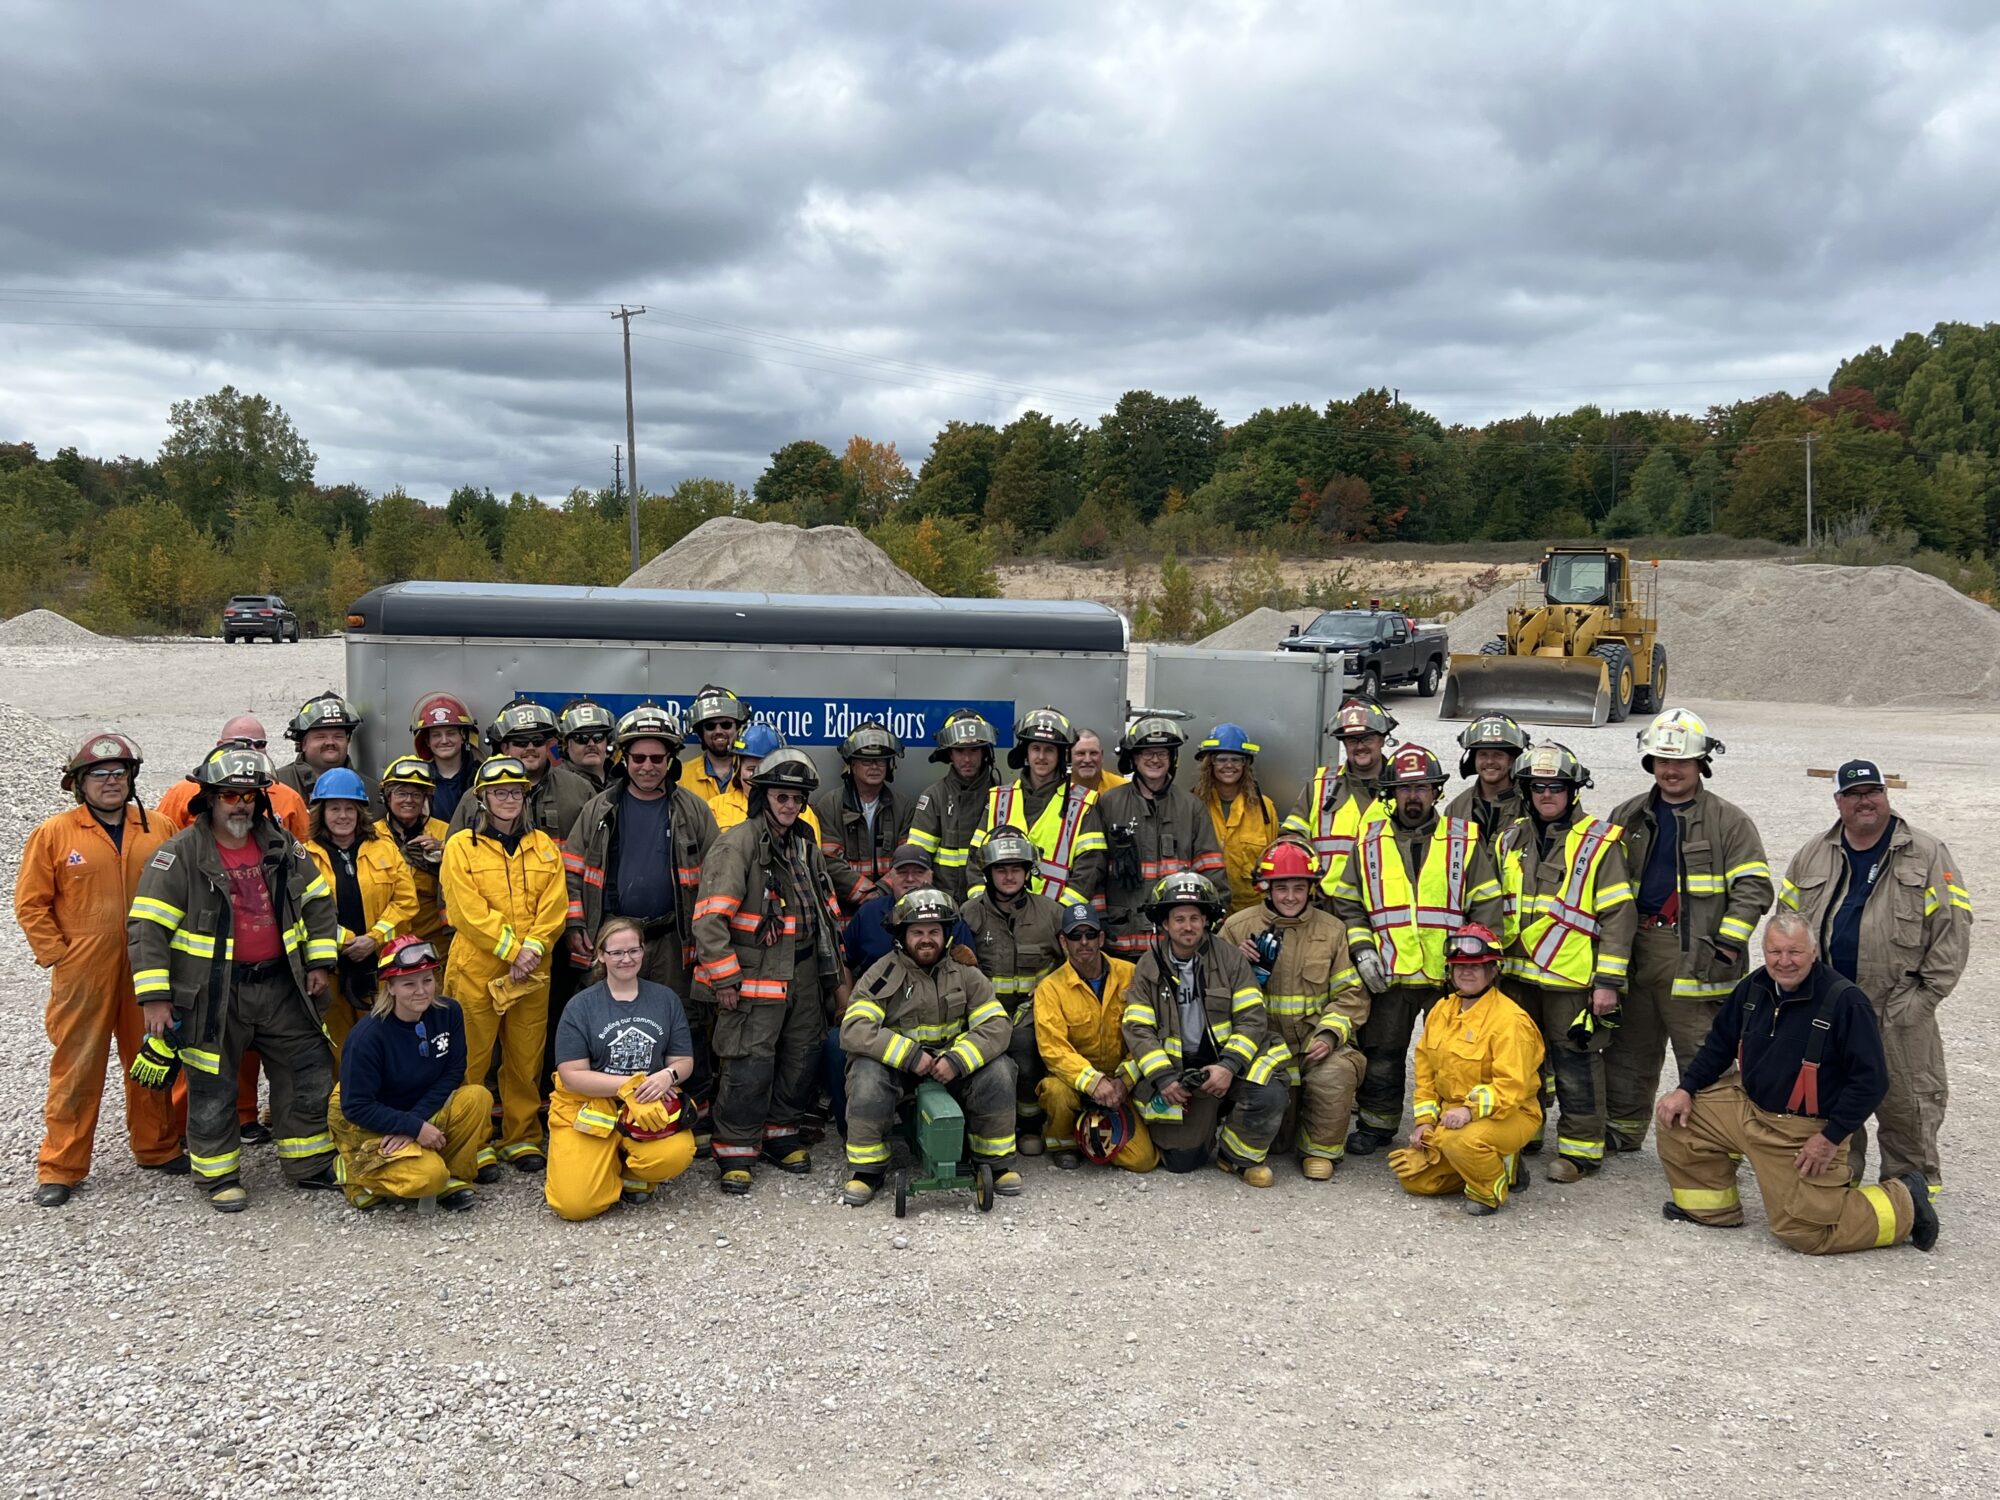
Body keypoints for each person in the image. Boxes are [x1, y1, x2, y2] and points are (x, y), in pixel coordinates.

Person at [127, 746, 341, 1212]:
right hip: (211, 993)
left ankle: (307, 1163)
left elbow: (319, 901)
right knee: (212, 1082)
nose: (240, 804)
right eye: (229, 794)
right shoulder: (178, 856)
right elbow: (148, 930)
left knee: (307, 1070)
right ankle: (218, 1173)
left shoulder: (284, 846)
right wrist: (155, 999)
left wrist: (320, 963)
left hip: (283, 986)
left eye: (249, 795)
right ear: (209, 798)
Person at [1654, 912, 1939, 1255]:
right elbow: (1718, 1046)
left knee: (1806, 1233)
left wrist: (1830, 1138)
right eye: (1775, 952)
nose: (1784, 962)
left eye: (1795, 952)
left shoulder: (1846, 1002)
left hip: (1800, 1131)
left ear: (1814, 952)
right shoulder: (1753, 987)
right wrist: (1685, 1089)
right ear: (1764, 951)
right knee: (1676, 1116)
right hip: (1747, 1106)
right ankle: (1713, 1210)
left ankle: (1905, 1199)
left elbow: (1872, 1081)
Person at [1778, 758, 1970, 1199]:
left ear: (1886, 796)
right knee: (1832, 1101)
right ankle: (1839, 1189)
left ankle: (1912, 1198)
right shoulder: (1813, 853)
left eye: (1873, 792)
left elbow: (1952, 931)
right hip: (1829, 1007)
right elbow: (1787, 925)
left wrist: (1921, 1000)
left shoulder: (1926, 852)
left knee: (1907, 1104)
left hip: (1896, 1006)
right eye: (1854, 794)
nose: (1865, 801)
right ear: (1839, 801)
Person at [15, 731, 183, 1206]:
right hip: (83, 971)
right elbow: (31, 903)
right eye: (99, 775)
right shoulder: (55, 833)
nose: (111, 782)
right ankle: (61, 1166)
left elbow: (184, 890)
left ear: (132, 779)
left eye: (119, 773)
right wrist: (58, 954)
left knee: (152, 1056)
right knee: (77, 1067)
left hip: (150, 966)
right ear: (78, 783)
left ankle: (157, 1147)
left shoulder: (161, 827)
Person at [1605, 710, 1772, 1153]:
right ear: (1650, 763)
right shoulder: (1628, 816)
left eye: (1681, 761)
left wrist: (1725, 946)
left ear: (1701, 764)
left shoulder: (1728, 822)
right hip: (1636, 951)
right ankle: (1622, 1131)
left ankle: (1715, 1144)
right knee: (1629, 1049)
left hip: (1696, 958)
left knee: (1704, 1056)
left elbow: (1754, 888)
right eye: (1662, 759)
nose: (1671, 769)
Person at [1329, 743, 1504, 1155]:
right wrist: (1362, 950)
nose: (1414, 797)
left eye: (1423, 788)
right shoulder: (1368, 843)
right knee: (1383, 1053)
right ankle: (1376, 1125)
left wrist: (1479, 967)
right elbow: (1348, 902)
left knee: (1454, 1058)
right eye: (1405, 789)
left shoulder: (1465, 839)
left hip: (1451, 977)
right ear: (1391, 792)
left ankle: (1452, 1131)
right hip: (1390, 973)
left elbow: (1487, 903)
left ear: (1436, 792)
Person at [692, 749, 851, 1194]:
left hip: (802, 972)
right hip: (752, 978)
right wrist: (724, 978)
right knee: (748, 1062)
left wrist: (834, 980)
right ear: (762, 796)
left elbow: (826, 914)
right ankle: (736, 1148)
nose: (789, 806)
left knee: (801, 1056)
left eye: (797, 799)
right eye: (781, 797)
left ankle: (780, 1134)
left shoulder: (804, 846)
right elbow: (709, 920)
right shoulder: (737, 844)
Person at [562, 702, 720, 1143]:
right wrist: (578, 925)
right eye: (638, 758)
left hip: (672, 936)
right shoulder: (599, 810)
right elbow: (572, 871)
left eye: (657, 758)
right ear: (624, 758)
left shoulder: (692, 809)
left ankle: (691, 1113)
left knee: (683, 1022)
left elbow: (717, 876)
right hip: (614, 936)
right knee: (607, 1020)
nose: (648, 767)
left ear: (670, 760)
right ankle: (610, 1113)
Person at [1496, 742, 1635, 1184]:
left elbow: (1618, 914)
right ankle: (1527, 1130)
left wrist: (1608, 981)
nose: (1547, 795)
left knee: (1576, 1062)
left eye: (1556, 786)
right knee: (1521, 1060)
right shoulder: (1510, 838)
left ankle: (1580, 1151)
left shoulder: (1600, 841)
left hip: (1570, 977)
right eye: (1538, 787)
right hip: (1517, 975)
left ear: (1573, 790)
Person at [839, 888, 1020, 1205]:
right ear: (902, 936)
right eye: (917, 932)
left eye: (934, 932)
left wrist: (958, 1060)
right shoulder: (881, 976)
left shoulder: (967, 975)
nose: (926, 939)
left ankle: (994, 1162)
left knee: (1000, 1069)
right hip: (901, 1071)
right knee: (866, 1074)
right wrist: (909, 1056)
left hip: (953, 1068)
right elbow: (854, 1028)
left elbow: (997, 1025)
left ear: (947, 934)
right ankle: (867, 1171)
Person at [439, 756, 568, 1176]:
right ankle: (472, 1141)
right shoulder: (461, 846)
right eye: (499, 792)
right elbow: (464, 910)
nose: (508, 799)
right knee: (471, 1060)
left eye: (515, 791)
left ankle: (522, 1137)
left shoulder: (544, 846)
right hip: (478, 969)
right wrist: (514, 951)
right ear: (483, 798)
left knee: (525, 1058)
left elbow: (555, 905)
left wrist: (531, 949)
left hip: (532, 972)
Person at [1122, 872, 1287, 1184]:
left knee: (1270, 1093)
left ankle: (1236, 1157)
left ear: (1207, 920)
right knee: (1182, 1161)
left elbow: (1252, 1018)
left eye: (1195, 918)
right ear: (1165, 924)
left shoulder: (1230, 959)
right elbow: (1138, 1028)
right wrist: (1165, 1078)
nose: (1188, 926)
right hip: (1181, 1075)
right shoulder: (1148, 965)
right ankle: (1208, 1122)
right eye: (1179, 918)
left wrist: (1228, 1066)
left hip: (1228, 1068)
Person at [1219, 835, 1368, 1178]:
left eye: (1299, 888)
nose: (1290, 896)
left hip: (1312, 1047)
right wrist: (1236, 966)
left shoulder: (1333, 931)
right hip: (1262, 1048)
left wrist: (1330, 1035)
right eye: (1281, 887)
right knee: (1276, 1140)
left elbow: (1350, 994)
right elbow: (1211, 998)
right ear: (1265, 888)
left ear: (1311, 888)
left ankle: (1320, 1151)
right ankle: (1237, 1150)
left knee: (1338, 1071)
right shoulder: (1237, 928)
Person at [546, 916, 700, 1219]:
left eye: (633, 950)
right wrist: (627, 1087)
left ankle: (634, 1173)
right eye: (616, 952)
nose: (626, 959)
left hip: (647, 1104)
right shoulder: (581, 1006)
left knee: (676, 1153)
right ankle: (602, 1165)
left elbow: (683, 1061)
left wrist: (666, 1076)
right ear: (601, 955)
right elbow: (572, 1075)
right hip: (589, 1108)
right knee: (575, 1206)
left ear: (643, 951)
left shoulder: (665, 999)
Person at [1389, 924, 1544, 1216]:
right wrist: (1424, 1122)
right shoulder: (1441, 1011)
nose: (1466, 973)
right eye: (1459, 966)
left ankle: (1490, 1190)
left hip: (1511, 1113)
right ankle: (1492, 1163)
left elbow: (1511, 1088)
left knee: (1459, 1141)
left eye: (1476, 966)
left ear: (1493, 970)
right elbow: (1425, 1073)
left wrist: (1468, 1112)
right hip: (1452, 1116)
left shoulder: (1510, 1021)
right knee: (1415, 1179)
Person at [329, 936, 488, 1212]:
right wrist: (412, 1127)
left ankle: (452, 1177)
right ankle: (355, 1172)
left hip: (415, 1108)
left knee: (477, 1097)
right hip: (366, 1116)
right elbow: (356, 1105)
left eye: (427, 980)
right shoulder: (368, 1036)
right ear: (389, 987)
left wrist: (414, 1124)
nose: (421, 991)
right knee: (428, 1177)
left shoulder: (448, 1013)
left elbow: (453, 1071)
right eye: (408, 983)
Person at [952, 827, 1064, 1154]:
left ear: (1029, 872)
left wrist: (1049, 985)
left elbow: (1072, 964)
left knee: (1026, 1048)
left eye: (1017, 868)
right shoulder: (968, 914)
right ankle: (980, 1123)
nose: (1009, 876)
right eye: (1001, 869)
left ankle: (1029, 1125)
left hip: (1033, 1012)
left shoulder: (1051, 913)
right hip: (984, 1013)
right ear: (988, 873)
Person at [1032, 904, 1157, 1172]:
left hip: (1120, 1084)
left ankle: (1092, 1136)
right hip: (1076, 1082)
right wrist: (1093, 1081)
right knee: (1055, 1092)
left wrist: (1124, 1081)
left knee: (1142, 1161)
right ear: (1064, 942)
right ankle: (1065, 1143)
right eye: (1075, 936)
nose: (1084, 942)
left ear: (1101, 938)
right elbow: (1053, 1049)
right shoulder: (1050, 988)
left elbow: (1146, 1034)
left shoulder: (1132, 975)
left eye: (1090, 934)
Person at [305, 768, 418, 1059]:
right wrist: (346, 940)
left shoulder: (384, 849)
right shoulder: (305, 857)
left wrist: (374, 938)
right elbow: (302, 913)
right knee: (338, 1050)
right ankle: (341, 1104)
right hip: (331, 970)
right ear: (321, 812)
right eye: (334, 809)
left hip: (382, 969)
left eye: (349, 809)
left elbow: (406, 902)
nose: (342, 816)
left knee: (386, 1045)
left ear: (360, 812)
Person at [1098, 716, 1229, 959]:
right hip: (1121, 942)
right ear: (1134, 758)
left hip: (1177, 945)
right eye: (1147, 752)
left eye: (1162, 753)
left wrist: (1212, 921)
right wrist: (1099, 921)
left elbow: (1212, 873)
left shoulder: (1192, 808)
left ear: (1172, 760)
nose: (1155, 759)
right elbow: (1094, 870)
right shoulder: (1108, 803)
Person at [828, 844, 935, 1136]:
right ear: (891, 877)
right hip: (878, 1016)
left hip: (932, 1018)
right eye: (903, 872)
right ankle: (851, 1130)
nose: (911, 879)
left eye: (918, 872)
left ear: (931, 876)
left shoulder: (947, 913)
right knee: (837, 1043)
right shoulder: (870, 914)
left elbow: (964, 964)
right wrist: (845, 1005)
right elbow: (844, 961)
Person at [967, 707, 1106, 909]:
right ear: (1026, 752)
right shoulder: (998, 799)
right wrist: (983, 907)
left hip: (1053, 920)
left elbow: (1090, 868)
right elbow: (975, 860)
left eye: (1049, 750)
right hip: (998, 916)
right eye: (1036, 748)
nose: (1041, 756)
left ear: (1060, 755)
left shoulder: (1083, 804)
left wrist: (1059, 915)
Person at [1284, 696, 1394, 896]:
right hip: (1327, 903)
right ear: (1344, 743)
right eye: (1352, 740)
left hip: (1385, 903)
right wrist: (1310, 877)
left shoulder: (1403, 789)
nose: (1360, 747)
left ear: (1382, 739)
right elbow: (1292, 837)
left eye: (1367, 738)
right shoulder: (1319, 785)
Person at [445, 698, 595, 843]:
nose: (530, 748)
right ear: (504, 748)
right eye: (521, 742)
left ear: (547, 745)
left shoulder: (580, 790)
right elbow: (453, 857)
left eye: (537, 741)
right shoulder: (475, 798)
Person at [153, 716, 311, 841]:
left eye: (260, 744)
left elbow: (305, 852)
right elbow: (159, 840)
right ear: (219, 745)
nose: (252, 750)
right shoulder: (182, 792)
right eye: (242, 743)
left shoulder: (289, 798)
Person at [905, 710, 1002, 903]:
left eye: (974, 750)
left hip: (991, 905)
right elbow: (917, 861)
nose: (967, 759)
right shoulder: (934, 797)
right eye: (959, 751)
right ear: (949, 753)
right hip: (943, 905)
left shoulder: (1001, 798)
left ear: (985, 752)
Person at [811, 721, 909, 894]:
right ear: (852, 765)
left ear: (889, 765)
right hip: (844, 911)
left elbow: (907, 860)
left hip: (890, 905)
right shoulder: (830, 804)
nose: (874, 767)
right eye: (866, 760)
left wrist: (880, 893)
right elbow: (828, 861)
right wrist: (865, 894)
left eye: (880, 760)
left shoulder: (903, 806)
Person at [1194, 724, 1279, 917]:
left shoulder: (1264, 808)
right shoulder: (1195, 805)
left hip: (1252, 913)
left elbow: (1273, 862)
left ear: (1245, 765)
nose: (1229, 765)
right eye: (1221, 759)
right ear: (1210, 764)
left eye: (1236, 759)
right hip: (1205, 910)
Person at [376, 756, 450, 951]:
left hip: (435, 942)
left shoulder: (445, 833)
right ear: (387, 797)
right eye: (401, 793)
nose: (409, 800)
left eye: (416, 794)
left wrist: (444, 852)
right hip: (385, 942)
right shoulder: (371, 835)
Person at [274, 691, 380, 811]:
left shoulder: (371, 791)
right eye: (321, 736)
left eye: (338, 736)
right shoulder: (276, 784)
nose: (330, 742)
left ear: (348, 741)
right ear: (303, 744)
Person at [1444, 714, 1531, 857]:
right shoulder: (1457, 808)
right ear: (1474, 761)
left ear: (1511, 761)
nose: (1489, 761)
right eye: (1483, 754)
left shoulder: (1529, 806)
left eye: (1498, 755)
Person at [409, 690, 482, 824]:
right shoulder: (416, 780)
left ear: (463, 736)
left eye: (451, 733)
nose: (444, 741)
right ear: (427, 741)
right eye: (436, 735)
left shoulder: (482, 777)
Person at [683, 684, 750, 807]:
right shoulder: (683, 777)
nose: (718, 731)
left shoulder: (753, 773)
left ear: (738, 728)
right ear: (700, 732)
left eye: (726, 724)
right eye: (710, 726)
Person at [557, 697, 617, 791]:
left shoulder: (625, 780)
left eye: (598, 737)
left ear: (608, 741)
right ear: (565, 745)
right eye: (582, 738)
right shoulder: (554, 785)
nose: (591, 744)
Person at [1069, 728, 1125, 796]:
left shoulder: (1122, 788)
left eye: (1093, 753)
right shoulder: (1056, 787)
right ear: (1068, 756)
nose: (1087, 760)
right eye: (1081, 753)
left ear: (1101, 756)